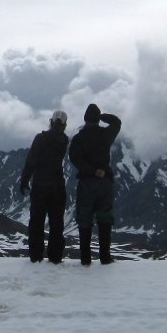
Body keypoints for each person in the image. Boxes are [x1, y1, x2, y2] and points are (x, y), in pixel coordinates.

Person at [68, 103, 122, 265]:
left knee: (85, 219)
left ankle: (85, 258)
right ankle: (105, 256)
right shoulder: (106, 134)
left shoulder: (78, 138)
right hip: (105, 182)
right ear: (97, 119)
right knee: (105, 218)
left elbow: (74, 158)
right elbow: (117, 122)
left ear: (85, 119)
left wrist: (91, 171)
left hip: (87, 183)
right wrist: (102, 116)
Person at [18, 109, 69, 263]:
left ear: (51, 121)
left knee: (37, 222)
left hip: (40, 185)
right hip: (58, 186)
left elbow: (31, 160)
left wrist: (24, 180)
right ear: (65, 125)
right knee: (56, 223)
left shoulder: (40, 139)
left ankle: (36, 256)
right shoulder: (64, 141)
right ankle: (55, 257)